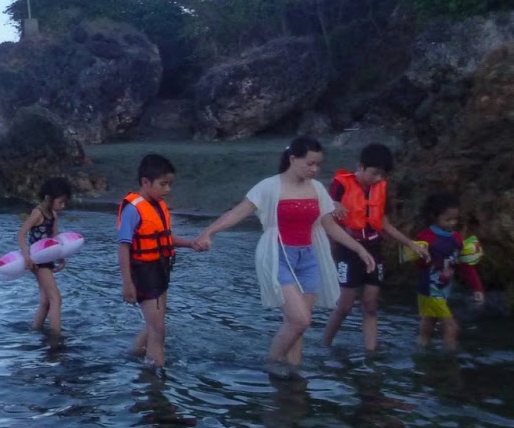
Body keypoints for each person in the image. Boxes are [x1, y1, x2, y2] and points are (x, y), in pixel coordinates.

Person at [194, 136, 376, 373]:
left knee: (297, 326)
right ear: (292, 159)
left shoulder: (317, 189)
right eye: (309, 163)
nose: (315, 169)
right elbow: (238, 213)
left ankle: (293, 376)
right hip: (279, 256)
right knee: (301, 320)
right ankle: (270, 363)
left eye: (318, 164)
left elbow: (329, 226)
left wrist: (360, 249)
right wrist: (209, 231)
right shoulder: (270, 186)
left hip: (308, 259)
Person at [321, 143, 417, 352]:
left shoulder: (381, 189)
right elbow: (327, 207)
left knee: (371, 304)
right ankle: (324, 344)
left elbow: (384, 223)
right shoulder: (341, 184)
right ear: (361, 166)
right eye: (374, 173)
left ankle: (371, 352)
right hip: (348, 249)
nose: (378, 179)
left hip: (373, 248)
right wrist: (333, 204)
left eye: (381, 175)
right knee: (345, 306)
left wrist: (410, 244)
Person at [117, 154, 206, 372]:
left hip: (161, 270)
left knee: (155, 324)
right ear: (146, 182)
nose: (168, 189)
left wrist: (190, 243)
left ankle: (136, 354)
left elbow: (164, 238)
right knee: (158, 330)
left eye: (170, 184)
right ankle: (156, 377)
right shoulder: (133, 209)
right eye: (163, 184)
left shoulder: (158, 206)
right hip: (144, 274)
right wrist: (127, 283)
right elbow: (123, 246)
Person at [18, 177, 73, 335]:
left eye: (65, 202)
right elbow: (21, 234)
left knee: (46, 300)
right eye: (61, 202)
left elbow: (55, 238)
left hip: (47, 259)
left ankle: (35, 330)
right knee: (56, 299)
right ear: (49, 198)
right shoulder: (38, 213)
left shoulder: (53, 215)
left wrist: (61, 257)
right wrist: (26, 256)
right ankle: (56, 336)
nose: (63, 206)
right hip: (38, 261)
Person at [414, 194, 461, 349]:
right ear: (435, 217)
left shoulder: (457, 238)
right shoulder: (425, 237)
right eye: (448, 220)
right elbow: (419, 263)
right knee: (451, 327)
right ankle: (450, 364)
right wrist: (436, 264)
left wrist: (477, 288)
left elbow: (465, 264)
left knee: (429, 320)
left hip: (444, 288)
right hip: (429, 288)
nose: (453, 223)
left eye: (455, 219)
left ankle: (422, 351)